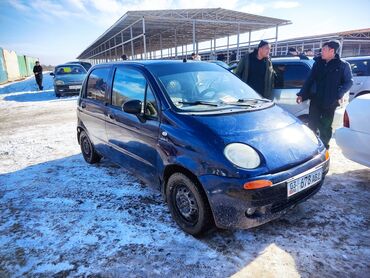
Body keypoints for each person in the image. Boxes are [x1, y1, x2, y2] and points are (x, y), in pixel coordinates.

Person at [296, 40, 353, 149]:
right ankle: (311, 145)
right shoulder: (318, 63)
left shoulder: (342, 65)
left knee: (326, 126)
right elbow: (310, 79)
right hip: (316, 99)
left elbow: (349, 81)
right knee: (312, 124)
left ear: (332, 51)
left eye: (324, 49)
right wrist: (302, 94)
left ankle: (324, 146)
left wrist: (339, 94)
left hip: (330, 101)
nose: (321, 51)